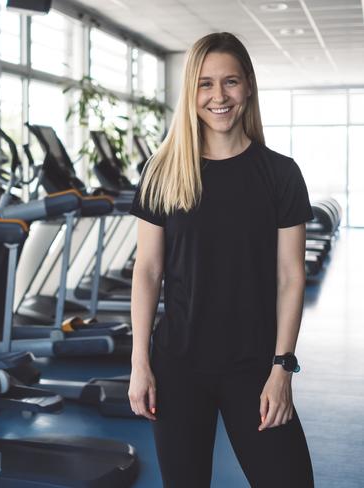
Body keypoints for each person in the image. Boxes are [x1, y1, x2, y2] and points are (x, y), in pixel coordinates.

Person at [128, 32, 314, 487]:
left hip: (255, 368)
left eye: (230, 82)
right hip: (178, 366)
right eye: (205, 84)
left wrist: (281, 368)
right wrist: (139, 362)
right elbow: (148, 270)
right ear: (191, 92)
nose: (219, 96)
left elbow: (291, 277)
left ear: (248, 86)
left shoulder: (280, 174)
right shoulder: (163, 172)